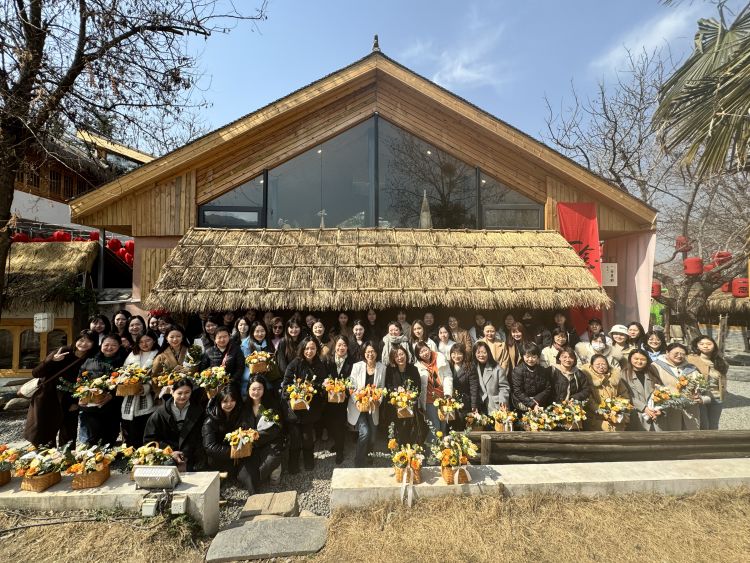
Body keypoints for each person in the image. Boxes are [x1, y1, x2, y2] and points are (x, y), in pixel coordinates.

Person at [24, 330, 98, 447]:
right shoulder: (64, 351)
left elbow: (87, 383)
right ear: (76, 340)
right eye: (81, 340)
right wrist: (51, 361)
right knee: (44, 435)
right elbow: (36, 373)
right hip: (48, 397)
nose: (84, 343)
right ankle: (45, 461)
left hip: (70, 399)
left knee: (68, 435)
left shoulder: (91, 359)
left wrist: (76, 402)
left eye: (89, 341)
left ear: (94, 344)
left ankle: (66, 461)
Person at [281, 338, 327, 473]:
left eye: (312, 348)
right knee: (295, 438)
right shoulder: (294, 364)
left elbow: (322, 383)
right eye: (306, 348)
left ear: (316, 350)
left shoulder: (319, 364)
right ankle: (293, 462)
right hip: (294, 408)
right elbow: (286, 384)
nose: (309, 351)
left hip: (310, 408)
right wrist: (295, 392)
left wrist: (313, 388)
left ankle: (308, 459)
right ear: (302, 349)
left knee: (307, 437)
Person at [144, 378, 206, 470]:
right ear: (172, 392)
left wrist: (186, 455)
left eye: (187, 392)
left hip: (192, 455)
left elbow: (201, 436)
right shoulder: (160, 413)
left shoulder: (198, 411)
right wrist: (170, 452)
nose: (183, 396)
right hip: (166, 455)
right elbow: (149, 440)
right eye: (179, 393)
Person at [202, 385, 255, 491]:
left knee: (248, 475)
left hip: (239, 455)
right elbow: (209, 446)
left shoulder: (240, 412)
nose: (229, 404)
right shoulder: (210, 421)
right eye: (225, 402)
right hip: (220, 457)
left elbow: (247, 429)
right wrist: (233, 451)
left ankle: (255, 495)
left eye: (232, 401)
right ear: (219, 402)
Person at [78, 334, 125, 446]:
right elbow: (80, 378)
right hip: (90, 407)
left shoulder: (123, 361)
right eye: (106, 345)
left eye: (113, 345)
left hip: (112, 406)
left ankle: (106, 459)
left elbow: (125, 382)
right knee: (90, 438)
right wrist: (81, 393)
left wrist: (111, 395)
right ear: (101, 345)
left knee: (109, 437)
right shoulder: (90, 360)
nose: (109, 347)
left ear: (119, 346)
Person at [347, 342, 386, 467]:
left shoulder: (382, 367)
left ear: (376, 353)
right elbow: (351, 386)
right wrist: (357, 400)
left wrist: (377, 401)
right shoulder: (357, 366)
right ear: (364, 353)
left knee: (373, 435)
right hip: (359, 406)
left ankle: (369, 455)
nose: (370, 354)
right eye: (368, 352)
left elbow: (382, 388)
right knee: (365, 432)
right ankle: (358, 460)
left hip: (373, 406)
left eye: (372, 351)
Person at [242, 375, 284, 486]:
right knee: (245, 472)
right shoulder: (244, 406)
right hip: (251, 443)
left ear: (264, 389)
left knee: (271, 460)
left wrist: (256, 435)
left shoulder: (271, 404)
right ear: (248, 390)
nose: (256, 392)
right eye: (253, 389)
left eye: (259, 389)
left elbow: (277, 427)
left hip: (270, 440)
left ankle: (274, 473)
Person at [653, 343, 706, 430]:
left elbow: (702, 387)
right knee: (670, 437)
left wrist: (699, 396)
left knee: (689, 437)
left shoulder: (692, 368)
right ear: (667, 352)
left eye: (682, 354)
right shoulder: (656, 366)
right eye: (676, 353)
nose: (679, 356)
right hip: (667, 409)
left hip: (690, 410)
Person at [120, 330, 159, 447]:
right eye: (141, 341)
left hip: (149, 398)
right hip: (130, 396)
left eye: (148, 340)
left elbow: (159, 376)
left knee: (146, 431)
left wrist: (147, 387)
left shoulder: (158, 355)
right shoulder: (132, 355)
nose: (144, 344)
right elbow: (123, 371)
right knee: (130, 432)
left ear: (154, 340)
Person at [325, 335, 355, 464]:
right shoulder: (328, 360)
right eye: (339, 345)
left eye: (344, 345)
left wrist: (346, 387)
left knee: (339, 424)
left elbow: (353, 380)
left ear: (347, 347)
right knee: (330, 423)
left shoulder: (352, 362)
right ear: (335, 346)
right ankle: (337, 443)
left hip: (344, 399)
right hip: (330, 398)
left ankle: (340, 450)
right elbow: (324, 376)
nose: (341, 348)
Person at [414, 341, 453, 440]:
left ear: (429, 348)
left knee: (443, 427)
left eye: (425, 350)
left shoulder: (440, 358)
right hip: (429, 400)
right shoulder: (418, 367)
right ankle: (429, 453)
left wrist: (448, 393)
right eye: (421, 352)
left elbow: (448, 375)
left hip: (443, 398)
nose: (425, 353)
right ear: (418, 355)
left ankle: (443, 453)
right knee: (435, 428)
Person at [580, 354, 631, 431]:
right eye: (598, 364)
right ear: (591, 365)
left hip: (615, 418)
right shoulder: (586, 378)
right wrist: (602, 412)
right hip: (595, 419)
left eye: (603, 364)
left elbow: (624, 395)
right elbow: (589, 400)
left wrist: (618, 409)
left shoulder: (615, 378)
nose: (601, 366)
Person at [688, 335, 728, 430]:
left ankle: (713, 444)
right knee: (703, 425)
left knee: (714, 425)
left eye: (709, 344)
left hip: (717, 397)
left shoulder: (720, 361)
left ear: (714, 345)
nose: (705, 346)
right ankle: (703, 444)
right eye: (702, 344)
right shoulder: (691, 359)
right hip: (700, 397)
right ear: (697, 346)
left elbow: (723, 379)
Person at [384, 344, 422, 444]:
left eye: (401, 354)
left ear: (406, 354)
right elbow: (387, 386)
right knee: (396, 429)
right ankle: (397, 450)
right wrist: (396, 390)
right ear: (393, 358)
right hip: (394, 405)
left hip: (410, 405)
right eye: (396, 356)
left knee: (409, 428)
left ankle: (409, 450)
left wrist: (410, 393)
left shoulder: (413, 369)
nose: (400, 357)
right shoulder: (390, 370)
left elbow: (418, 387)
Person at [621, 349, 665, 431]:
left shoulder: (652, 371)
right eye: (636, 359)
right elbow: (626, 395)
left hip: (654, 414)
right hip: (636, 415)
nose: (639, 361)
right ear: (630, 359)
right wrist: (644, 408)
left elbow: (661, 391)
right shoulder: (624, 374)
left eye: (643, 359)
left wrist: (659, 409)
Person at [199, 326, 246, 391]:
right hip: (214, 387)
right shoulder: (209, 351)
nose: (222, 339)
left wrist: (231, 380)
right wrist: (210, 380)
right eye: (219, 337)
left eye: (225, 336)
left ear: (229, 337)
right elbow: (202, 369)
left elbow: (240, 367)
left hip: (232, 386)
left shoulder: (236, 350)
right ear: (215, 339)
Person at [470, 341, 510, 416]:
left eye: (484, 352)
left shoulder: (497, 368)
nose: (481, 355)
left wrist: (502, 401)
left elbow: (504, 387)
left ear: (488, 353)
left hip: (495, 405)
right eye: (478, 352)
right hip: (479, 405)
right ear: (474, 354)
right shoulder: (473, 367)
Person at [511, 343, 552, 412]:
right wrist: (532, 404)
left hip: (539, 402)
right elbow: (517, 391)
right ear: (523, 356)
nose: (530, 359)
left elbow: (548, 387)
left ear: (538, 357)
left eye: (533, 356)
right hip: (522, 403)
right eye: (527, 356)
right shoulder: (518, 370)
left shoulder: (542, 370)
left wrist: (536, 400)